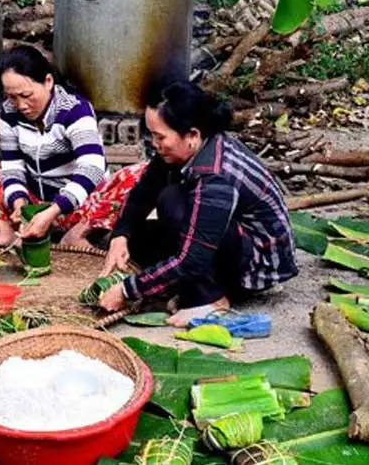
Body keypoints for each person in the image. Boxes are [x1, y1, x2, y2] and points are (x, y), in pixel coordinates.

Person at [95, 81, 298, 327]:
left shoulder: (215, 176)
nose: (153, 143)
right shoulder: (188, 147)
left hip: (256, 262)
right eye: (151, 134)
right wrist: (121, 234)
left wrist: (126, 290)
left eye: (159, 136)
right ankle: (197, 286)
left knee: (172, 202)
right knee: (140, 239)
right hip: (220, 235)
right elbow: (145, 189)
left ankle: (214, 299)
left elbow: (192, 260)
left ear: (192, 135)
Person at [0, 45, 146, 250]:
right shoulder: (9, 113)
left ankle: (77, 234)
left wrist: (54, 211)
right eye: (12, 97)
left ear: (48, 82)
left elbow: (92, 167)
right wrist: (19, 203)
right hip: (35, 205)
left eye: (26, 95)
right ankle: (5, 231)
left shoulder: (75, 110)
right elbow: (12, 167)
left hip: (79, 209)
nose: (21, 105)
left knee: (143, 173)